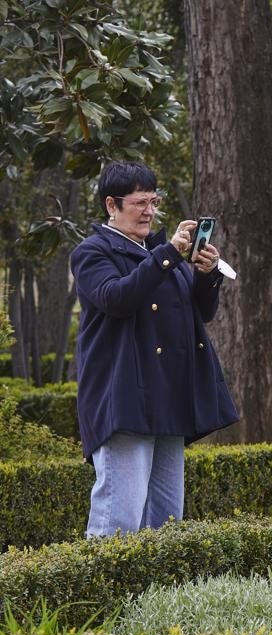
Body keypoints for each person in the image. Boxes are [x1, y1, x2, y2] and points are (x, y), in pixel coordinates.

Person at [72, 161, 239, 537]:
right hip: (125, 397)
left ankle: (155, 597)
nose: (149, 211)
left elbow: (201, 314)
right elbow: (117, 298)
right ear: (111, 206)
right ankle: (104, 594)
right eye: (140, 203)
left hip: (170, 396)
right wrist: (166, 256)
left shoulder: (162, 252)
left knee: (167, 521)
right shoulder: (92, 252)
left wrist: (206, 273)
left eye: (154, 201)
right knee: (119, 518)